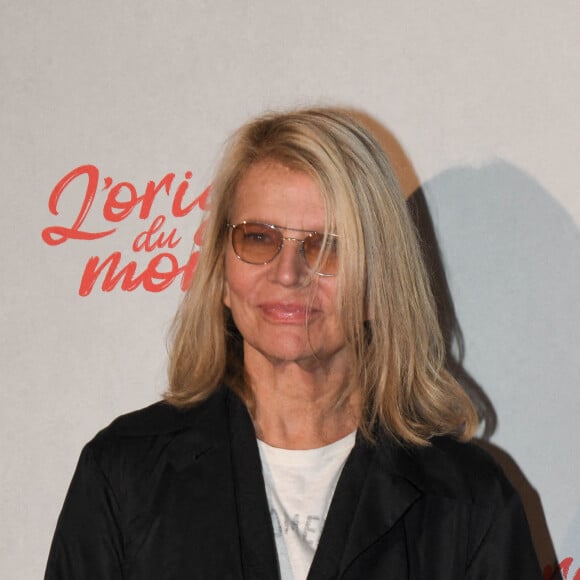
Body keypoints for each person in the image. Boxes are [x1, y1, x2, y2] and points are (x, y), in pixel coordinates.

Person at [45, 108, 542, 579]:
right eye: (258, 238)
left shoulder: (469, 501)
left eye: (326, 246)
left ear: (378, 286)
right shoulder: (123, 476)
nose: (288, 273)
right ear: (220, 271)